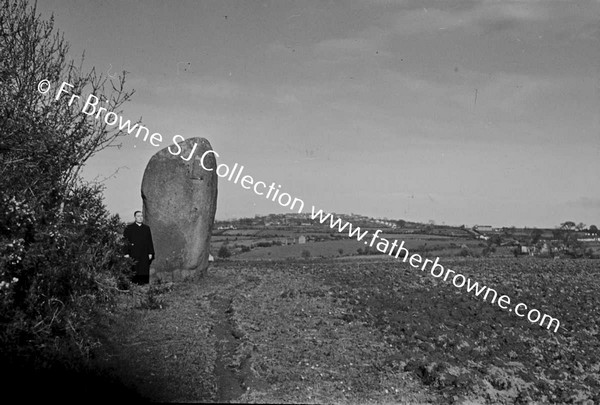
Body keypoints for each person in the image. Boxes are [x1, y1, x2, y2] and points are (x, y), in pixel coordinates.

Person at [123, 211, 155, 284]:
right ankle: (134, 285)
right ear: (135, 217)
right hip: (133, 252)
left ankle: (144, 285)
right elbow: (125, 241)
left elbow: (149, 241)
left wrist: (150, 252)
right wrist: (126, 253)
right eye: (138, 216)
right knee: (134, 269)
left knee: (144, 269)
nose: (140, 218)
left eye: (141, 216)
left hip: (144, 252)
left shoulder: (146, 228)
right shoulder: (129, 228)